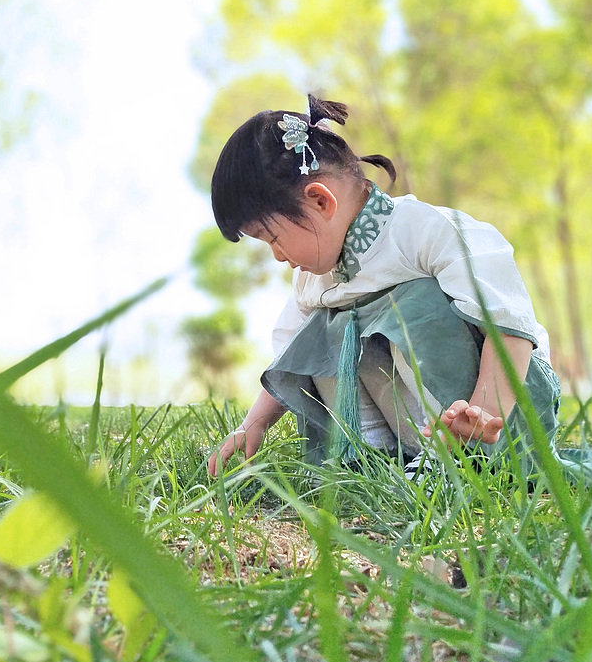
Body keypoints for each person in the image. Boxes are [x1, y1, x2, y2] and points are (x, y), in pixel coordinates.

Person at [206, 94, 560, 478]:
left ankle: (451, 459)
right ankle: (370, 456)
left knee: (415, 302)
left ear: (320, 202)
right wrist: (253, 424)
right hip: (414, 424)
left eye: (272, 237)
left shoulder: (424, 231)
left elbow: (507, 322)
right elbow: (292, 352)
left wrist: (487, 410)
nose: (277, 255)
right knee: (321, 329)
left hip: (501, 408)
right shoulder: (313, 278)